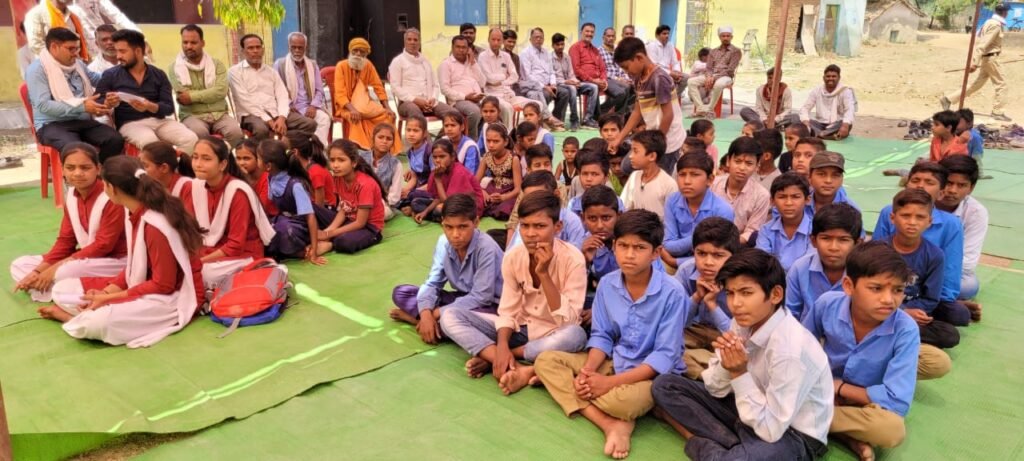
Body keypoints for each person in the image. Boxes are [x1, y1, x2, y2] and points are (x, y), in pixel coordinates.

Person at [653, 248, 833, 461]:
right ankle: (735, 445)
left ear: (775, 295)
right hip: (748, 409)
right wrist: (727, 365)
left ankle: (704, 443)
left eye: (746, 293)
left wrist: (739, 373)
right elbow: (716, 389)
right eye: (730, 293)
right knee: (664, 385)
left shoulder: (789, 349)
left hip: (791, 434)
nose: (735, 304)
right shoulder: (742, 323)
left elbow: (771, 430)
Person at [535, 209, 687, 460]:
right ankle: (609, 423)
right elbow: (602, 335)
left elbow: (664, 355)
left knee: (623, 403)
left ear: (656, 253)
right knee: (546, 361)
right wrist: (588, 371)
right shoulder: (607, 284)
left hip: (651, 376)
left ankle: (595, 402)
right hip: (615, 360)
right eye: (623, 246)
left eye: (639, 248)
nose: (629, 255)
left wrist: (607, 384)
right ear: (614, 246)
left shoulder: (673, 292)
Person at [43, 155, 203, 347]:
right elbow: (134, 266)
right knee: (62, 290)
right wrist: (105, 291)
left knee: (98, 322)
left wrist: (109, 298)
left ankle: (76, 319)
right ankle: (89, 314)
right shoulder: (133, 212)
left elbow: (164, 285)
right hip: (141, 286)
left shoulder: (155, 225)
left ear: (112, 188)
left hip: (171, 299)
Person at [441, 191, 588, 394]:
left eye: (540, 226)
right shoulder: (513, 257)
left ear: (557, 227)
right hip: (519, 329)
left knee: (576, 336)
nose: (531, 233)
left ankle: (498, 359)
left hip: (552, 333)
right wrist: (501, 345)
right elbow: (507, 311)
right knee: (449, 316)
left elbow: (568, 320)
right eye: (525, 226)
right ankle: (510, 363)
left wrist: (544, 274)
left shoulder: (574, 259)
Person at [801, 241, 925, 461]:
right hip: (822, 387)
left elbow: (896, 401)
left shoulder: (906, 329)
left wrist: (840, 388)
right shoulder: (827, 304)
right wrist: (818, 384)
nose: (888, 299)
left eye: (898, 290)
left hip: (864, 399)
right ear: (849, 286)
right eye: (876, 288)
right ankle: (848, 435)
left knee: (891, 430)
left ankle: (805, 418)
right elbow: (800, 349)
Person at [10, 143, 127, 303]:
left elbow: (103, 245)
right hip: (85, 257)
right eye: (70, 168)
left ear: (98, 169)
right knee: (21, 264)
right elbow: (66, 241)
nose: (77, 173)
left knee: (65, 271)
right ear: (62, 169)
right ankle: (55, 289)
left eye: (85, 168)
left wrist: (54, 269)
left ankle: (52, 289)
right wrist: (38, 271)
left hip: (116, 260)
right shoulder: (72, 195)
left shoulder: (111, 197)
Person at [390, 194, 504, 344]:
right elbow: (432, 283)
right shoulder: (443, 243)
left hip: (490, 306)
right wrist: (425, 314)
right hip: (462, 299)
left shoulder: (486, 247)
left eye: (462, 227)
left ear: (476, 222)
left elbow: (481, 297)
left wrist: (436, 313)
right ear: (442, 223)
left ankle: (423, 322)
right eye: (449, 227)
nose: (455, 235)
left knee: (455, 320)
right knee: (402, 293)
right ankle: (431, 324)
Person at [184, 136, 276, 290]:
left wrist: (199, 262)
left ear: (222, 164)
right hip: (210, 249)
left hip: (242, 254)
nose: (198, 164)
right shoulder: (195, 187)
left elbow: (235, 246)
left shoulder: (237, 192)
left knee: (204, 274)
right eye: (195, 157)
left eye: (206, 159)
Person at [873, 162, 965, 313]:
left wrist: (938, 300)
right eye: (915, 180)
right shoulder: (889, 212)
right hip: (887, 289)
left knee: (958, 313)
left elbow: (951, 270)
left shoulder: (951, 224)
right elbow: (874, 256)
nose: (920, 186)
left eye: (929, 182)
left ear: (941, 193)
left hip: (929, 291)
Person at [880, 189, 961, 352]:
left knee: (949, 334)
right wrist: (903, 311)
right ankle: (896, 335)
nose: (912, 222)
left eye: (920, 217)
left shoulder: (935, 255)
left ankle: (891, 334)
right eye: (905, 216)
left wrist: (912, 313)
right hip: (880, 308)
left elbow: (931, 298)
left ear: (929, 221)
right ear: (892, 218)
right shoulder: (878, 250)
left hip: (912, 310)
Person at [27, 27, 124, 162]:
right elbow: (44, 106)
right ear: (54, 47)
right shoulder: (37, 70)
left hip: (82, 121)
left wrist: (123, 78)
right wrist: (82, 107)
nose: (76, 54)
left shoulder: (77, 64)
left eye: (77, 48)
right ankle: (82, 174)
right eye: (71, 49)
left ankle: (98, 171)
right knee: (76, 149)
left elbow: (98, 80)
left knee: (115, 140)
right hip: (52, 124)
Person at [97, 29, 198, 155]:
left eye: (122, 51)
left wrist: (149, 106)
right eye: (117, 51)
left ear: (138, 51)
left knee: (191, 139)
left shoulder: (158, 74)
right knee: (152, 145)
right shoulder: (110, 75)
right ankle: (163, 166)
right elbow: (98, 101)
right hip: (130, 124)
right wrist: (107, 103)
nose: (118, 56)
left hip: (160, 121)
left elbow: (169, 108)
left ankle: (177, 167)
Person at [674, 217, 740, 379]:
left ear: (733, 256)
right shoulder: (686, 271)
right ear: (693, 252)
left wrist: (712, 304)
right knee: (667, 346)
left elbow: (736, 335)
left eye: (718, 255)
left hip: (724, 335)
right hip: (693, 330)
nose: (708, 262)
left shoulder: (741, 279)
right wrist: (697, 297)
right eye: (701, 253)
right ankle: (709, 376)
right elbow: (676, 321)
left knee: (739, 356)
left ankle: (704, 375)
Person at [612, 37, 686, 176]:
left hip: (667, 141)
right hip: (652, 137)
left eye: (626, 67)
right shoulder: (638, 78)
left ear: (639, 58)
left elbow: (668, 115)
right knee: (627, 166)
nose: (626, 72)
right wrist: (619, 138)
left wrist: (656, 146)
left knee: (659, 181)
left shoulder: (659, 79)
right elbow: (637, 112)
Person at [229, 34, 316, 143]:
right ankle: (266, 152)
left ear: (263, 50)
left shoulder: (271, 72)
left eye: (258, 47)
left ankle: (286, 146)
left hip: (275, 112)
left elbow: (282, 96)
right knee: (261, 130)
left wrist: (282, 117)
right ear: (243, 51)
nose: (255, 51)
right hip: (251, 114)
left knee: (310, 124)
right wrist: (269, 121)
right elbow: (245, 101)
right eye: (250, 48)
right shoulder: (235, 72)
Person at [785, 203, 862, 320]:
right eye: (826, 238)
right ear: (813, 241)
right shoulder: (800, 268)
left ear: (857, 244)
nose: (833, 247)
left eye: (843, 240)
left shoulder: (865, 273)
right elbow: (789, 315)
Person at [171, 24, 244, 148]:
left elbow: (221, 91)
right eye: (185, 42)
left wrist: (192, 96)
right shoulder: (175, 68)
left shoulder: (217, 65)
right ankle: (210, 157)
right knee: (199, 133)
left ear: (202, 43)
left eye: (193, 42)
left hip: (219, 114)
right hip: (192, 115)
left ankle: (223, 157)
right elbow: (183, 98)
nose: (188, 46)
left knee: (235, 133)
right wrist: (210, 93)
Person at [258, 140, 325, 264]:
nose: (258, 161)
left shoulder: (295, 185)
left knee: (282, 230)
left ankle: (316, 248)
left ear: (268, 166)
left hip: (300, 225)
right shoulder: (271, 177)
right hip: (284, 220)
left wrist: (315, 253)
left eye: (258, 158)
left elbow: (310, 217)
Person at [941, 4, 1011, 122]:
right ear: (1005, 13)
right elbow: (983, 44)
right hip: (991, 59)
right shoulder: (995, 25)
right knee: (1002, 85)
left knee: (976, 85)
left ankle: (948, 99)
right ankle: (997, 112)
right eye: (1007, 12)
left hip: (988, 58)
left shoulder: (990, 22)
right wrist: (975, 62)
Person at [662, 152, 734, 265]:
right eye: (682, 174)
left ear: (710, 180)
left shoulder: (723, 210)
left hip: (709, 266)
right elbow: (669, 245)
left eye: (694, 175)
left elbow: (717, 254)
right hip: (673, 260)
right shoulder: (672, 201)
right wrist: (703, 237)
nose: (686, 181)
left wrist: (676, 262)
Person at [317, 139, 387, 254]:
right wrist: (328, 231)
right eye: (332, 160)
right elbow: (345, 209)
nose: (335, 165)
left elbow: (360, 222)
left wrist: (329, 234)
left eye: (341, 160)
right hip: (349, 220)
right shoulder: (338, 179)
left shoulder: (365, 184)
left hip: (368, 228)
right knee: (313, 210)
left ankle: (330, 244)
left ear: (354, 163)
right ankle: (326, 238)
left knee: (344, 242)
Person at [937, 155, 987, 316]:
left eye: (961, 185)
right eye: (948, 183)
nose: (952, 190)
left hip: (945, 271)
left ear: (971, 188)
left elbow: (968, 262)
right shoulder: (920, 203)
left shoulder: (976, 213)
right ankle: (947, 303)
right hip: (911, 266)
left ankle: (925, 296)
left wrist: (931, 272)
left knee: (968, 286)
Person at [332, 37, 400, 153]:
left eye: (362, 51)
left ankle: (383, 149)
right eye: (355, 50)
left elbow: (378, 87)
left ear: (366, 54)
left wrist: (387, 107)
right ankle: (361, 149)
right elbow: (340, 94)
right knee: (355, 117)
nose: (358, 54)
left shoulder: (368, 65)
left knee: (388, 115)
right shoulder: (341, 66)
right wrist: (353, 110)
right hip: (346, 107)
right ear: (350, 51)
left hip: (364, 105)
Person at [274, 32, 333, 146]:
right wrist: (289, 104)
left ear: (305, 48)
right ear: (289, 47)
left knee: (324, 119)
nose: (297, 50)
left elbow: (319, 90)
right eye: (294, 47)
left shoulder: (312, 65)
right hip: (290, 109)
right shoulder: (280, 65)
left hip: (308, 107)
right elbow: (277, 90)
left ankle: (317, 150)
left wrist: (313, 106)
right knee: (308, 123)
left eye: (300, 48)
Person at [390, 28, 455, 129]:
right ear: (404, 42)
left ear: (419, 43)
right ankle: (425, 140)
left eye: (415, 40)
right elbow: (395, 88)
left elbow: (435, 85)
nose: (412, 42)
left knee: (454, 115)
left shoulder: (425, 61)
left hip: (429, 102)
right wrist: (415, 100)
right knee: (417, 116)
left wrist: (433, 98)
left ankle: (441, 138)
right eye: (409, 39)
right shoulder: (397, 61)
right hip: (407, 103)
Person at [712, 137, 771, 245]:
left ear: (757, 165)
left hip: (739, 246)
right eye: (737, 161)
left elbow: (752, 231)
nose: (742, 168)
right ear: (728, 161)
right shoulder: (712, 185)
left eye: (749, 163)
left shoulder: (761, 195)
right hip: (707, 241)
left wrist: (726, 245)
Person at [507, 170, 587, 250]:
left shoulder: (572, 222)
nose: (533, 203)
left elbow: (576, 253)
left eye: (539, 198)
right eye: (528, 198)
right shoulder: (526, 221)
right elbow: (516, 250)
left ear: (556, 194)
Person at [411, 139, 484, 223]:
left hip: (468, 208)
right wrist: (425, 212)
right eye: (435, 157)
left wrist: (438, 180)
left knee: (438, 211)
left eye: (442, 156)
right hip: (449, 203)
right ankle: (436, 216)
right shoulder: (439, 171)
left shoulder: (459, 172)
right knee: (416, 202)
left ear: (452, 157)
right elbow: (438, 198)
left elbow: (448, 203)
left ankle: (440, 217)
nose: (437, 160)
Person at [756, 173, 813, 271]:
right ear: (772, 201)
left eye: (795, 197)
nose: (788, 203)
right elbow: (762, 264)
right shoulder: (766, 230)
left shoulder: (815, 230)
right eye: (782, 197)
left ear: (807, 200)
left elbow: (809, 266)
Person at [479, 28, 535, 127]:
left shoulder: (506, 56)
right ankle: (507, 134)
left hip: (509, 94)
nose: (496, 43)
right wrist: (504, 76)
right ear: (488, 39)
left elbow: (515, 76)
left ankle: (529, 132)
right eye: (493, 39)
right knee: (508, 108)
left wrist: (501, 82)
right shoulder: (483, 56)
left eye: (498, 40)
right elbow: (489, 78)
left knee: (536, 105)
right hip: (493, 95)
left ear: (502, 41)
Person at [571, 24, 627, 122]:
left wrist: (603, 80)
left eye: (592, 32)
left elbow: (603, 68)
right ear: (581, 32)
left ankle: (613, 116)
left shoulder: (594, 50)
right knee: (619, 92)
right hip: (584, 80)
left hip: (600, 80)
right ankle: (598, 115)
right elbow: (576, 69)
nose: (589, 34)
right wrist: (593, 80)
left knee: (625, 90)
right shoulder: (575, 48)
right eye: (587, 31)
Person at [438, 35, 486, 141]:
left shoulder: (471, 63)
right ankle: (470, 141)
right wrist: (465, 97)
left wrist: (473, 63)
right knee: (475, 112)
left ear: (468, 49)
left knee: (492, 108)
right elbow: (444, 89)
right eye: (458, 47)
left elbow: (483, 83)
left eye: (464, 47)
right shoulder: (446, 64)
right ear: (452, 48)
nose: (461, 50)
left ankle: (482, 141)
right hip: (459, 101)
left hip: (477, 99)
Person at [518, 28, 568, 130]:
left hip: (548, 85)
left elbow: (552, 72)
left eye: (541, 37)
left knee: (564, 92)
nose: (538, 39)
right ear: (530, 39)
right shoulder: (525, 53)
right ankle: (549, 121)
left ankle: (557, 119)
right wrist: (544, 86)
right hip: (535, 86)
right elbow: (527, 76)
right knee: (545, 94)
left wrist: (553, 84)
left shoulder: (546, 52)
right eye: (536, 37)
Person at [688, 26, 741, 119]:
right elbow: (708, 67)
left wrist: (714, 77)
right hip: (711, 75)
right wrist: (709, 76)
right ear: (719, 37)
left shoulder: (736, 51)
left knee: (718, 84)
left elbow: (730, 70)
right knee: (691, 82)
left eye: (728, 36)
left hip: (726, 76)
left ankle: (710, 110)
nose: (725, 38)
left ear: (731, 37)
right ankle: (701, 109)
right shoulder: (713, 51)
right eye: (723, 36)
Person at [620, 130, 676, 219]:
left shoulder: (669, 184)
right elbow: (624, 206)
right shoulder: (634, 176)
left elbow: (672, 218)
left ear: (652, 156)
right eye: (631, 151)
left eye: (635, 151)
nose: (630, 156)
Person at [792, 64, 856, 140]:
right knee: (795, 118)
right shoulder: (817, 90)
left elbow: (850, 110)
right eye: (828, 76)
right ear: (823, 78)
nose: (830, 79)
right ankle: (825, 135)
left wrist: (845, 125)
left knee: (847, 124)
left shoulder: (845, 91)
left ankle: (816, 134)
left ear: (839, 78)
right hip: (819, 124)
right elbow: (805, 108)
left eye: (834, 76)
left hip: (836, 125)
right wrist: (805, 122)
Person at [552, 32, 598, 132]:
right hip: (560, 84)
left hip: (571, 83)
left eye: (562, 44)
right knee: (572, 89)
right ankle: (574, 120)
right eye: (557, 45)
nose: (560, 47)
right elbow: (552, 77)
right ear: (553, 45)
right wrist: (567, 82)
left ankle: (587, 119)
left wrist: (575, 82)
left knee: (593, 87)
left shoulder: (567, 57)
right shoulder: (550, 58)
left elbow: (571, 73)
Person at [476, 124, 522, 220]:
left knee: (505, 209)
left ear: (505, 142)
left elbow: (518, 189)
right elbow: (475, 182)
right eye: (488, 141)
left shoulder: (513, 159)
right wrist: (482, 192)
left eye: (496, 141)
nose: (491, 145)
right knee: (475, 202)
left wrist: (504, 197)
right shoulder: (486, 157)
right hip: (491, 191)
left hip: (509, 193)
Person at [359, 123, 404, 219]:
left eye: (389, 139)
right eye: (380, 137)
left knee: (381, 213)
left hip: (383, 204)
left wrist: (375, 203)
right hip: (359, 200)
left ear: (393, 142)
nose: (384, 141)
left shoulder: (396, 164)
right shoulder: (360, 158)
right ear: (373, 138)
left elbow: (394, 197)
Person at [25, 0, 91, 60]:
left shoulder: (73, 15)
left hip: (77, 64)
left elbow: (83, 44)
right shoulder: (36, 14)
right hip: (53, 66)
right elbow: (36, 46)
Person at [567, 150, 625, 217]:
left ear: (606, 177)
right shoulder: (573, 204)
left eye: (594, 174)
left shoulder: (617, 202)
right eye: (585, 174)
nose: (588, 179)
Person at [72, 0, 139, 57]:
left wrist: (137, 34)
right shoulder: (66, 5)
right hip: (80, 52)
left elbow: (116, 15)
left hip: (103, 45)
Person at [399, 115, 433, 213]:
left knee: (413, 198)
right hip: (419, 187)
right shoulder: (410, 152)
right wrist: (404, 191)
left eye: (415, 131)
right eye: (408, 130)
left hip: (432, 188)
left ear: (424, 133)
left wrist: (413, 192)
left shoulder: (430, 152)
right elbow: (414, 177)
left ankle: (416, 208)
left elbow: (435, 181)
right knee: (399, 199)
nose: (411, 134)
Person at [597, 27, 634, 115]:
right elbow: (601, 70)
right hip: (607, 78)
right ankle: (602, 111)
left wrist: (625, 78)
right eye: (608, 36)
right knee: (624, 90)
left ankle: (621, 114)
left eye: (613, 36)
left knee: (636, 88)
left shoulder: (617, 50)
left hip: (619, 78)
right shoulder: (599, 51)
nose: (611, 38)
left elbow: (621, 67)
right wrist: (618, 78)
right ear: (603, 37)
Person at [291, 135, 334, 208]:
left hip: (325, 210)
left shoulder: (315, 172)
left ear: (295, 151)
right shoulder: (306, 169)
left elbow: (320, 206)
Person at [645, 25, 685, 94]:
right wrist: (670, 73)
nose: (667, 36)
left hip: (670, 72)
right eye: (664, 33)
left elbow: (675, 62)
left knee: (686, 78)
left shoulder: (670, 45)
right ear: (657, 35)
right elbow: (654, 66)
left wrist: (677, 72)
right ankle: (668, 97)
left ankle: (673, 96)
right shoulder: (652, 46)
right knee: (666, 79)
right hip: (656, 73)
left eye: (668, 33)